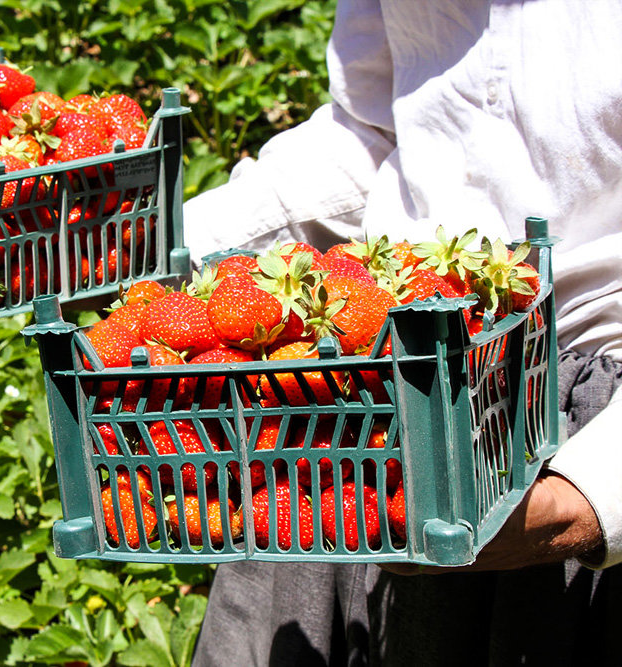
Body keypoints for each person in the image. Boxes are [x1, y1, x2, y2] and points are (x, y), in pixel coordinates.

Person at [179, 0, 622, 665]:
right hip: (365, 401)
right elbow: (373, 134)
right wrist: (151, 241)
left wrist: (585, 497)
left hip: (581, 430)